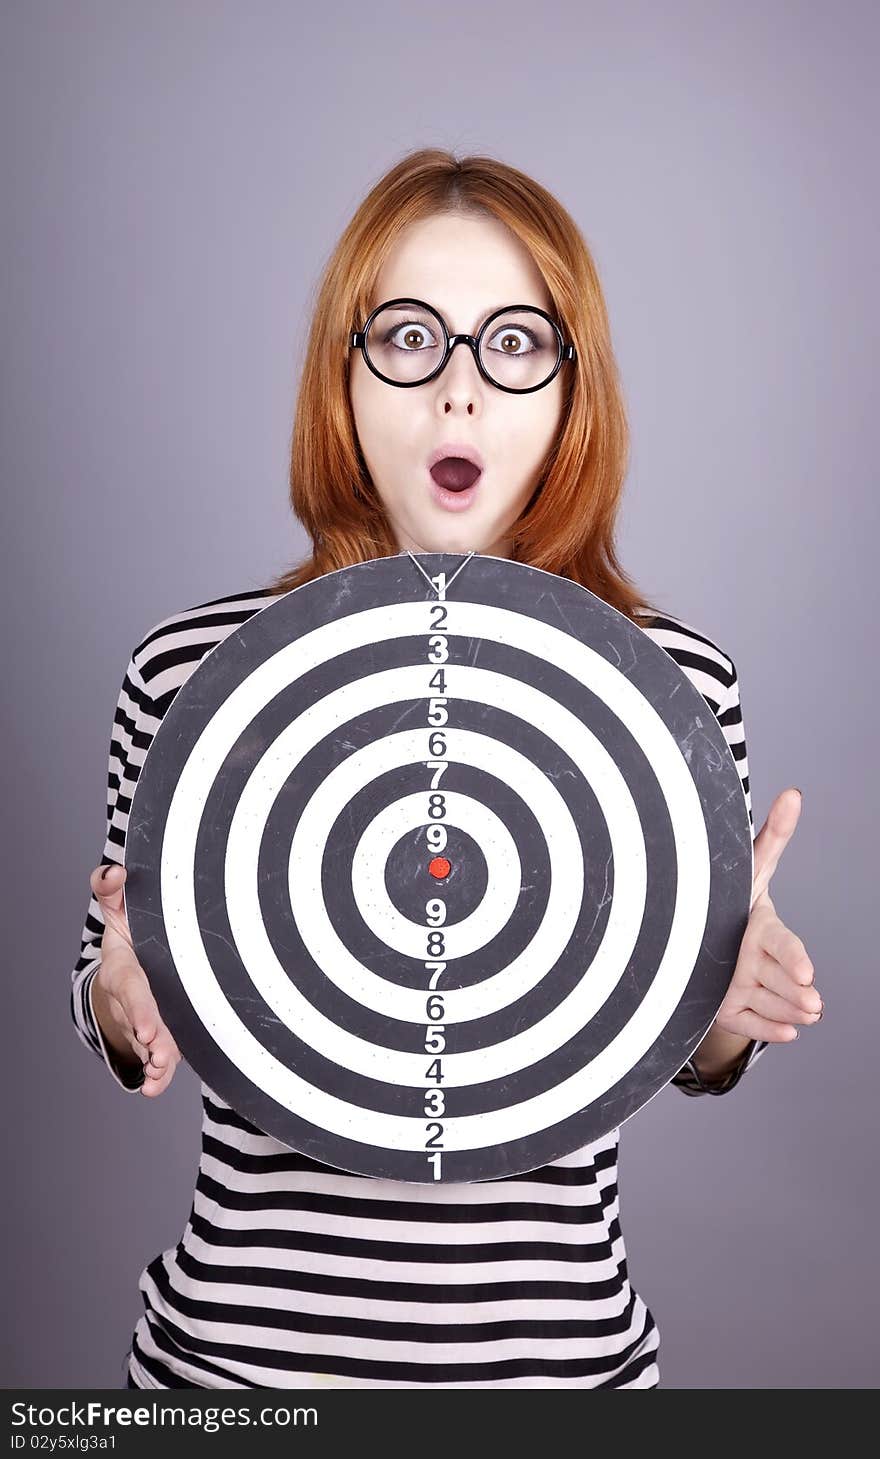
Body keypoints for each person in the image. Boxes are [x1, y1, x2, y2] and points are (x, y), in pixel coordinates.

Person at [70, 149, 822, 1390]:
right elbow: (104, 996)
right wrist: (125, 996)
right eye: (410, 337)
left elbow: (681, 1050)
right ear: (345, 376)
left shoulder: (671, 689)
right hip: (239, 1375)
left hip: (559, 1374)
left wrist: (724, 1010)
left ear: (570, 389)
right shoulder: (190, 670)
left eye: (514, 343)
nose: (458, 394)